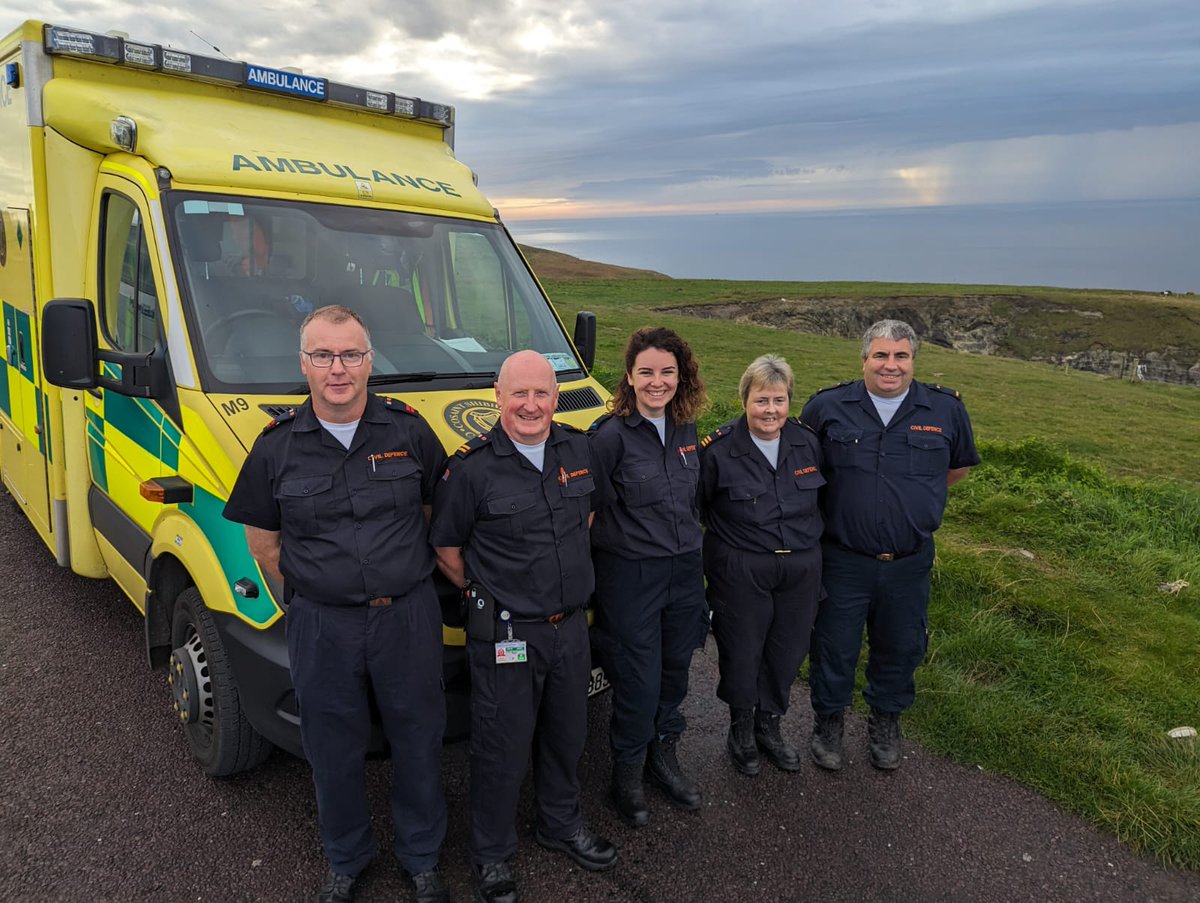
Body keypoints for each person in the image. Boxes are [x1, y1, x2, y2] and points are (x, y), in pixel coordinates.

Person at [223, 305, 451, 903]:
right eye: (323, 355)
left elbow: (435, 514)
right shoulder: (275, 448)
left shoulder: (409, 431)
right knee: (331, 747)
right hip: (323, 624)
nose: (338, 368)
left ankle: (422, 858)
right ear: (304, 365)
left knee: (419, 737)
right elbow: (264, 544)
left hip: (407, 616)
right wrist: (322, 589)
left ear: (369, 361)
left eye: (350, 354)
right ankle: (346, 859)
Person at [430, 350, 617, 903]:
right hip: (508, 635)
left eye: (541, 393)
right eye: (519, 394)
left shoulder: (579, 448)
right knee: (501, 746)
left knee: (567, 734)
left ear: (555, 397)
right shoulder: (471, 467)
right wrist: (489, 591)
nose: (530, 405)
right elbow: (445, 547)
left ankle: (559, 824)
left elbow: (587, 518)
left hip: (570, 630)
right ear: (498, 396)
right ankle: (491, 854)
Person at [801, 319, 980, 772]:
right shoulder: (827, 407)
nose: (890, 365)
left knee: (900, 645)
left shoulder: (944, 409)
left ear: (913, 360)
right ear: (864, 359)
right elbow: (802, 469)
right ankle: (829, 724)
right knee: (833, 644)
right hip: (842, 557)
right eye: (880, 355)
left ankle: (885, 722)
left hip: (908, 561)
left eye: (901, 356)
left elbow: (955, 469)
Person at [589, 326, 708, 827]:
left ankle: (664, 758)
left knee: (675, 671)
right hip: (631, 576)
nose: (657, 382)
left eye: (667, 372)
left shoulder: (686, 430)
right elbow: (586, 515)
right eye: (647, 372)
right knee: (637, 681)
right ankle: (627, 774)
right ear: (630, 377)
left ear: (681, 377)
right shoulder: (609, 436)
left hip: (684, 574)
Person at [698, 355, 825, 776]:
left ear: (789, 401)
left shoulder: (807, 443)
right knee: (742, 649)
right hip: (741, 568)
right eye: (761, 400)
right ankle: (741, 729)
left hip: (800, 569)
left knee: (787, 650)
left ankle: (769, 725)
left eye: (779, 400)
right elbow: (699, 508)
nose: (771, 410)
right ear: (744, 400)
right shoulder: (717, 451)